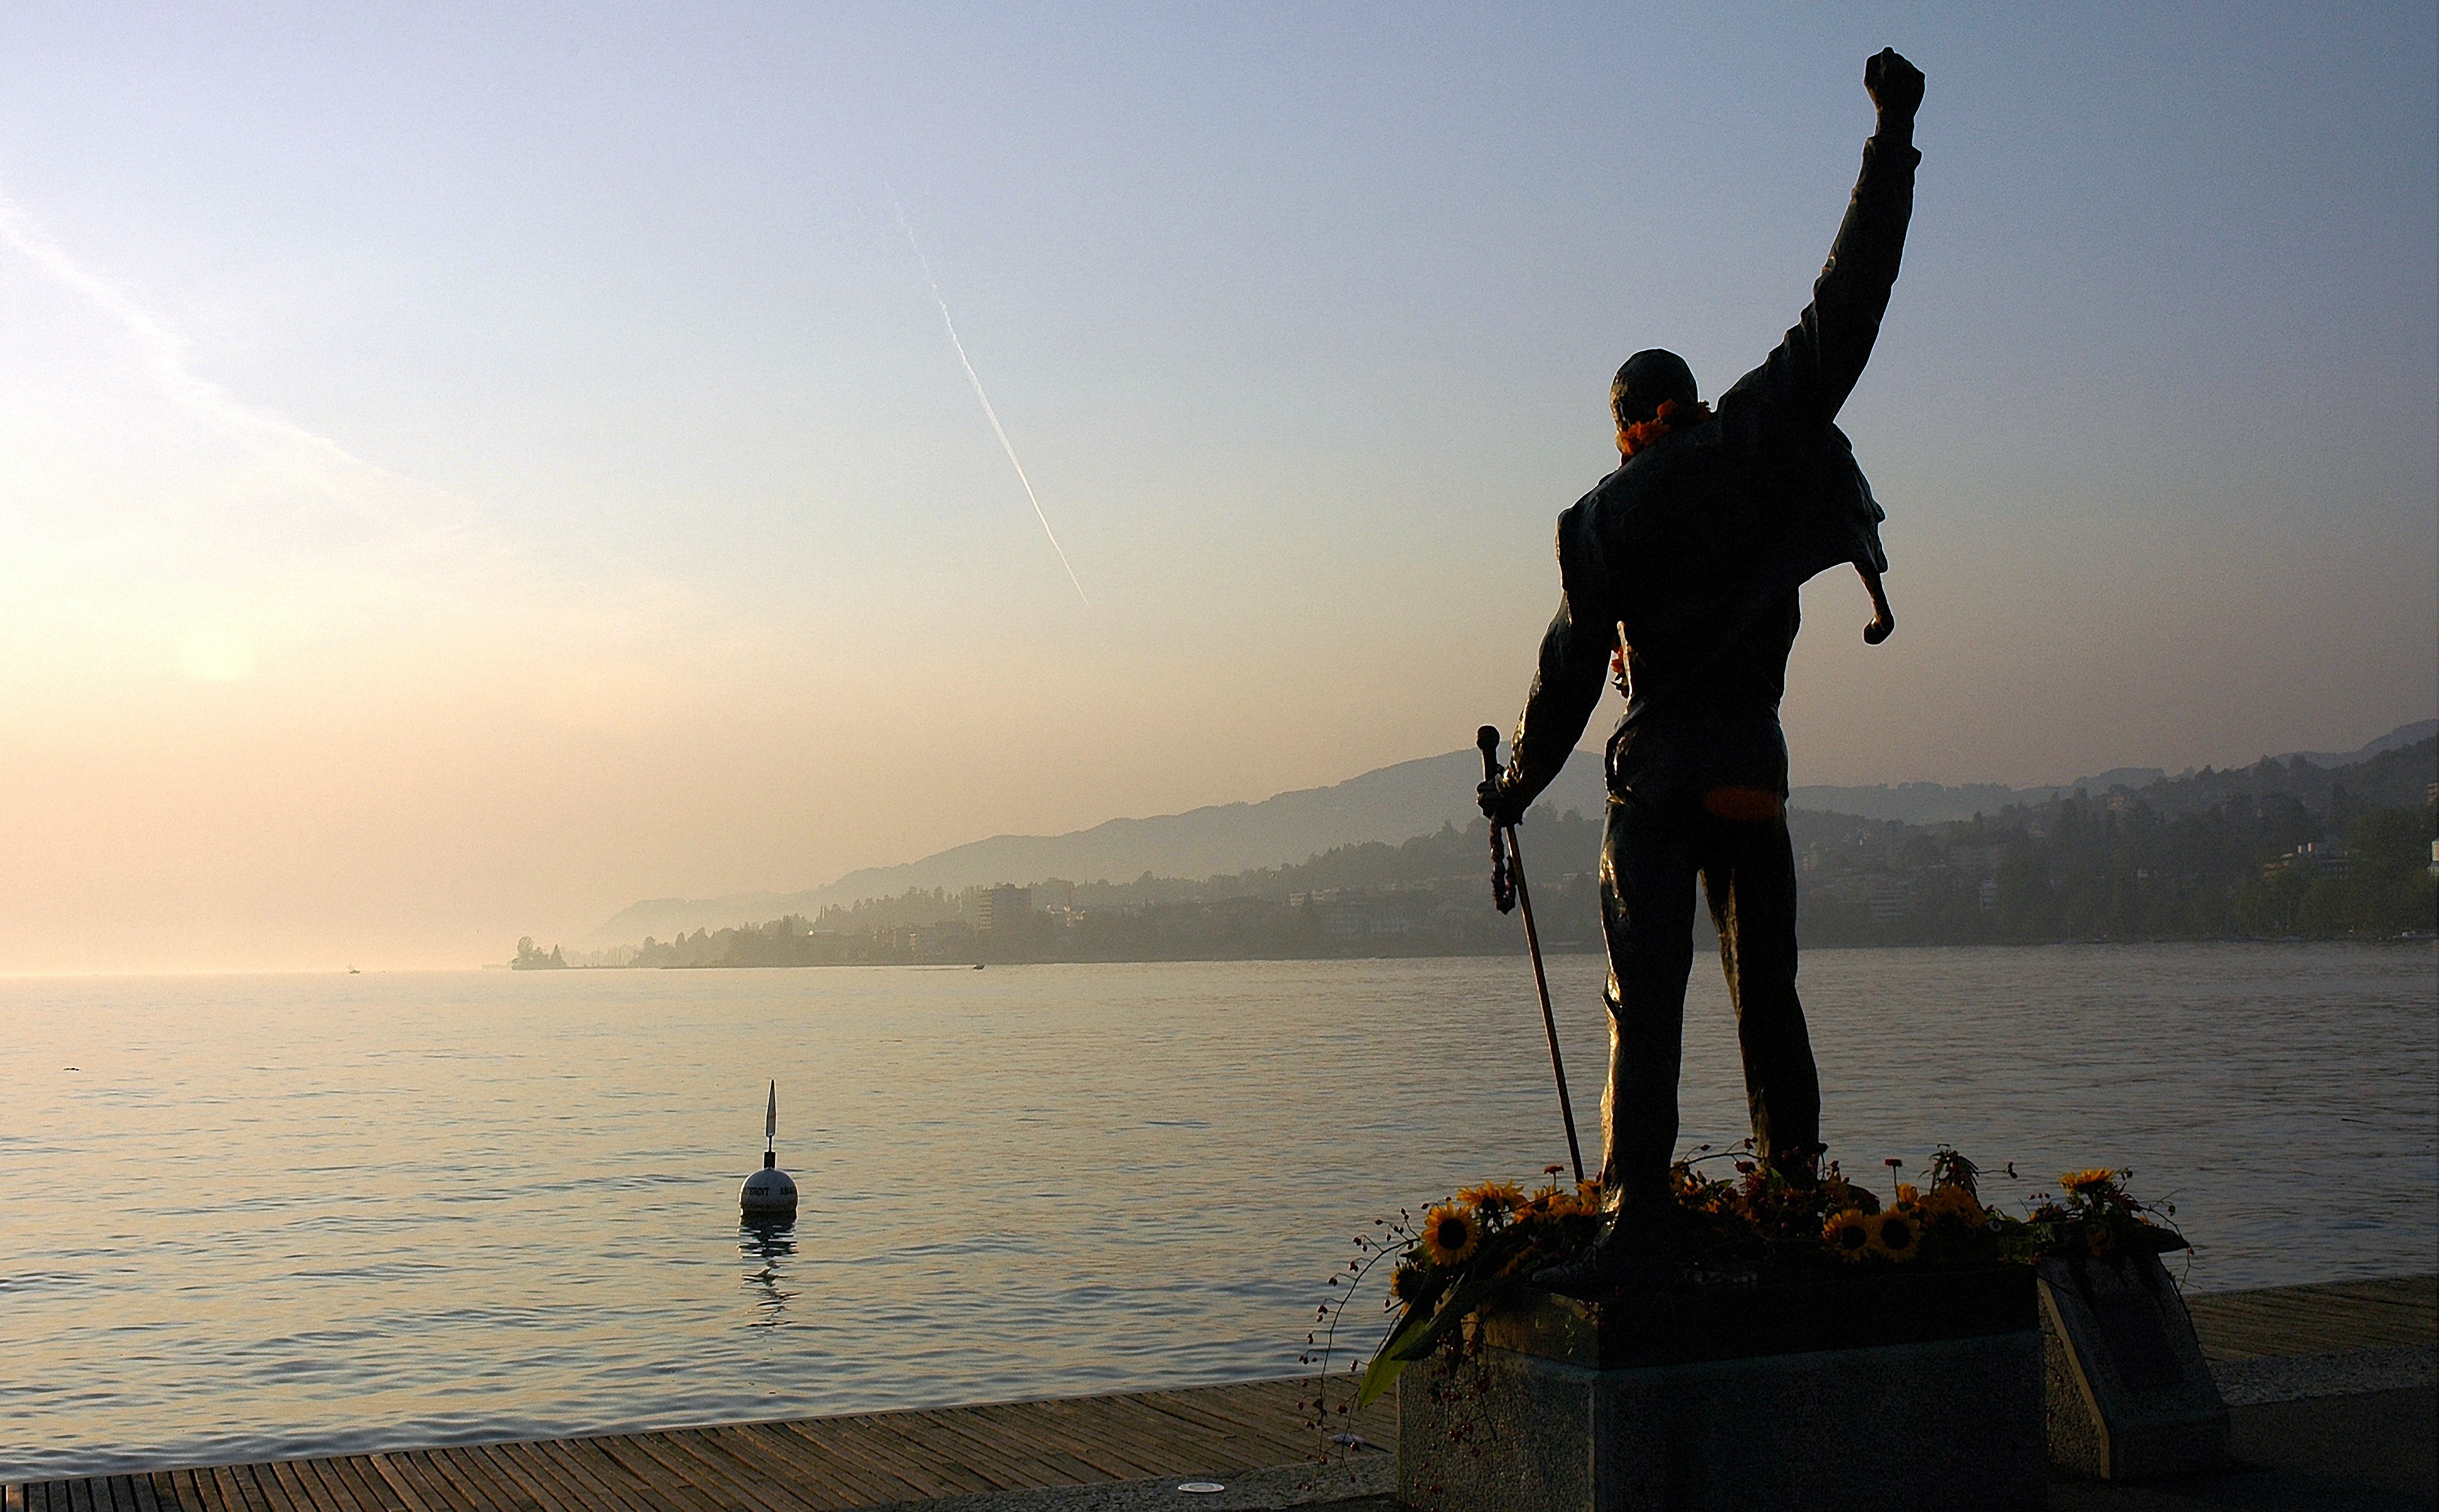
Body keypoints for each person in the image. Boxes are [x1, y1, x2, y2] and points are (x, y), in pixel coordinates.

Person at [1477, 48, 1925, 1293]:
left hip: (1664, 774)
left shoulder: (1604, 516)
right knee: (1767, 999)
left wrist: (1517, 785)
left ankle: (1638, 1222)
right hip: (1759, 769)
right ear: (1688, 405)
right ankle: (1794, 1195)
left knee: (1646, 994)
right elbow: (1852, 301)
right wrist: (1891, 139)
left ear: (1626, 425)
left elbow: (1571, 669)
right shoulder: (1763, 441)